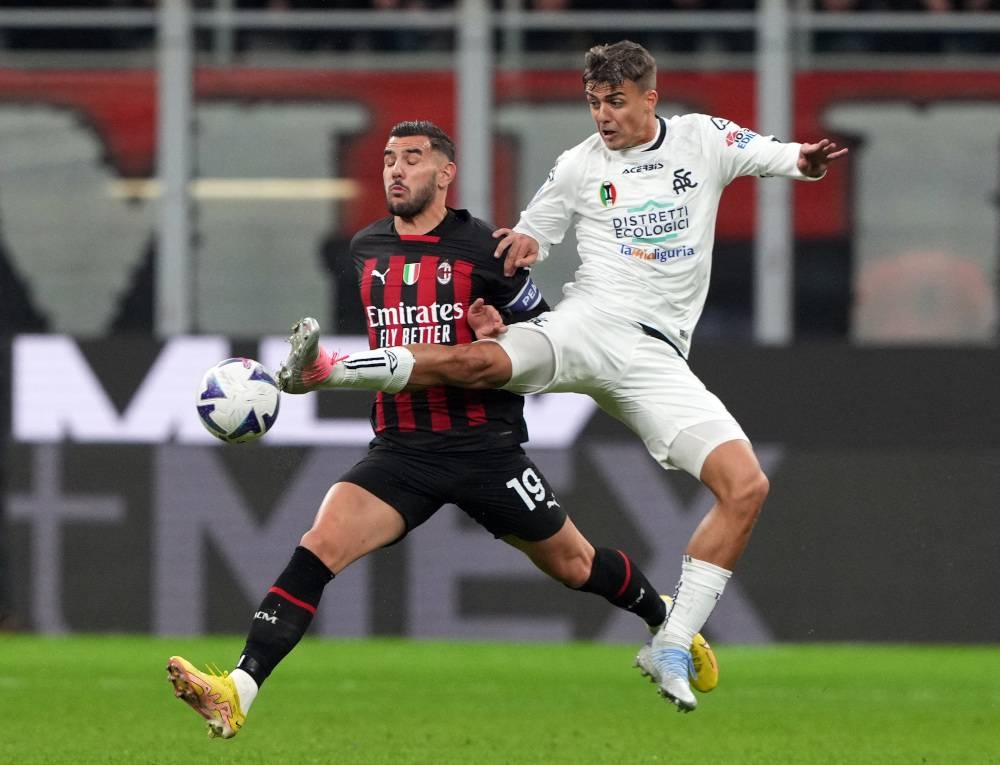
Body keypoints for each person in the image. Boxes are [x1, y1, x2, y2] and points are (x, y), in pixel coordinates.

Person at [278, 41, 849, 713]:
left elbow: (777, 154)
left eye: (615, 102)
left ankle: (671, 642)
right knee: (479, 359)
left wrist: (804, 164)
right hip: (586, 326)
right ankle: (327, 368)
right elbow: (529, 237)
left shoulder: (702, 140)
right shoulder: (579, 165)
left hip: (656, 361)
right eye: (593, 103)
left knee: (746, 485)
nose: (603, 117)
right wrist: (521, 247)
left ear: (648, 99)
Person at [166, 119, 717, 739]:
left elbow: (553, 339)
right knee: (317, 548)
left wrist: (502, 334)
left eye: (412, 158)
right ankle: (236, 690)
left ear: (444, 174)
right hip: (401, 451)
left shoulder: (488, 249)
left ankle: (664, 616)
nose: (395, 170)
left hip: (487, 451)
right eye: (388, 159)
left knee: (574, 565)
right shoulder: (366, 248)